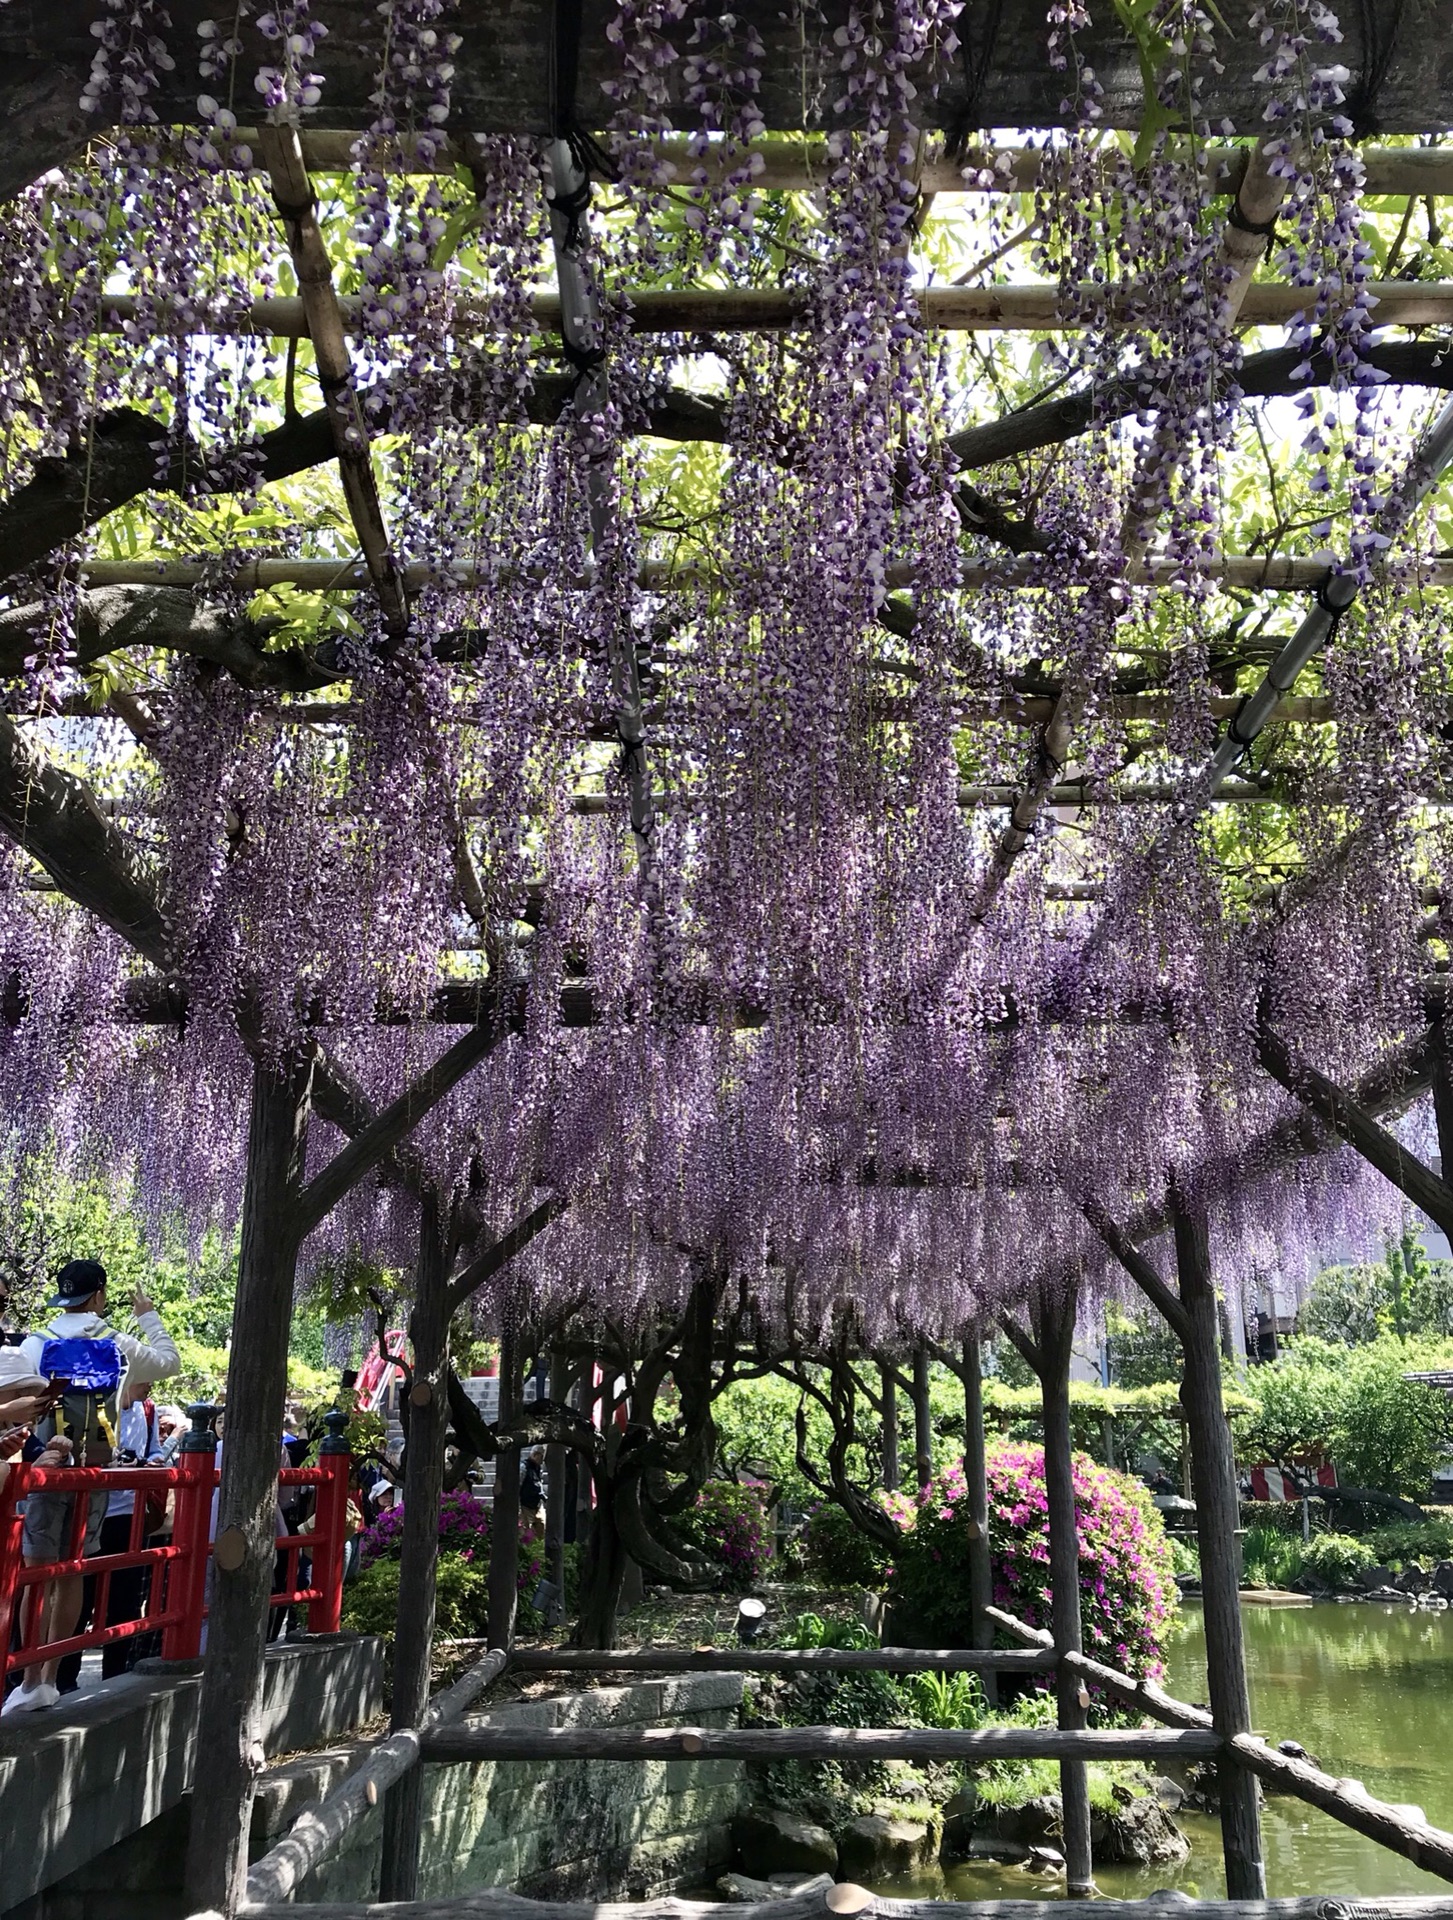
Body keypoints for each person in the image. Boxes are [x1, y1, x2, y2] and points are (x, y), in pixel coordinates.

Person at [3, 1260, 180, 1715]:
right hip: (95, 1469)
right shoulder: (116, 1342)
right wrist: (146, 1314)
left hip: (49, 1464)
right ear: (99, 1295)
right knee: (73, 1570)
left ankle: (28, 1678)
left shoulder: (36, 1343)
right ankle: (51, 1675)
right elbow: (169, 1361)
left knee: (36, 1571)